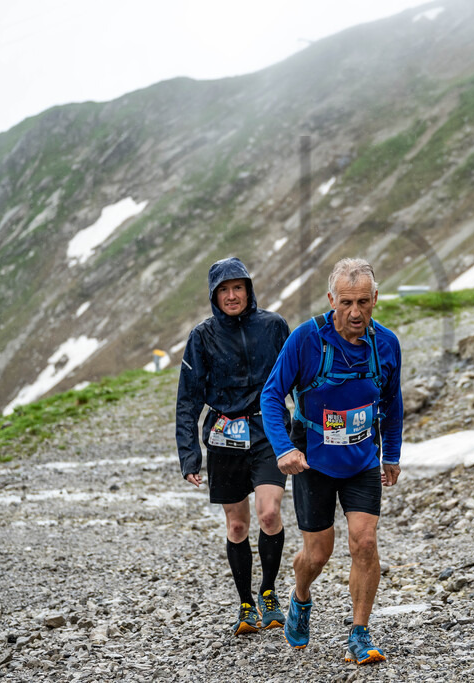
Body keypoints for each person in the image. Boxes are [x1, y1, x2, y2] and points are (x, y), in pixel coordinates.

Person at [260, 257, 402, 666]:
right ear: (331, 299)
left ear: (375, 298)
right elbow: (272, 395)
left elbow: (393, 403)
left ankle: (359, 633)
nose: (355, 312)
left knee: (365, 542)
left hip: (361, 459)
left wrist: (391, 453)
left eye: (363, 301)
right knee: (317, 554)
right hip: (314, 461)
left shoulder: (387, 344)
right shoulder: (306, 339)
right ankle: (300, 597)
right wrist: (285, 448)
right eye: (346, 302)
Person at [176, 256, 291, 636]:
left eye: (237, 287)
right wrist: (189, 454)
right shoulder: (202, 337)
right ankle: (246, 604)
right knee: (238, 524)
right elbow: (188, 399)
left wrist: (307, 432)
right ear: (214, 295)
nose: (231, 295)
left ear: (249, 290)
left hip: (267, 430)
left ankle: (269, 592)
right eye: (223, 290)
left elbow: (300, 378)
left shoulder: (274, 327)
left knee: (270, 514)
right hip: (224, 436)